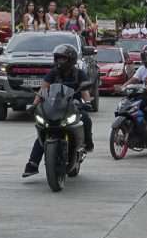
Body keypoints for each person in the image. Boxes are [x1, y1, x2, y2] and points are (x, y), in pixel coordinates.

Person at [22, 42, 94, 177]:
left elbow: (85, 92)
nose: (60, 61)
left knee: (86, 118)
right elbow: (43, 89)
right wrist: (34, 105)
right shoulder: (53, 73)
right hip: (55, 107)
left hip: (73, 107)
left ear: (71, 59)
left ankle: (88, 142)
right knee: (43, 129)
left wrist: (87, 102)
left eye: (63, 58)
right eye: (58, 58)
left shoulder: (79, 74)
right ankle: (32, 163)